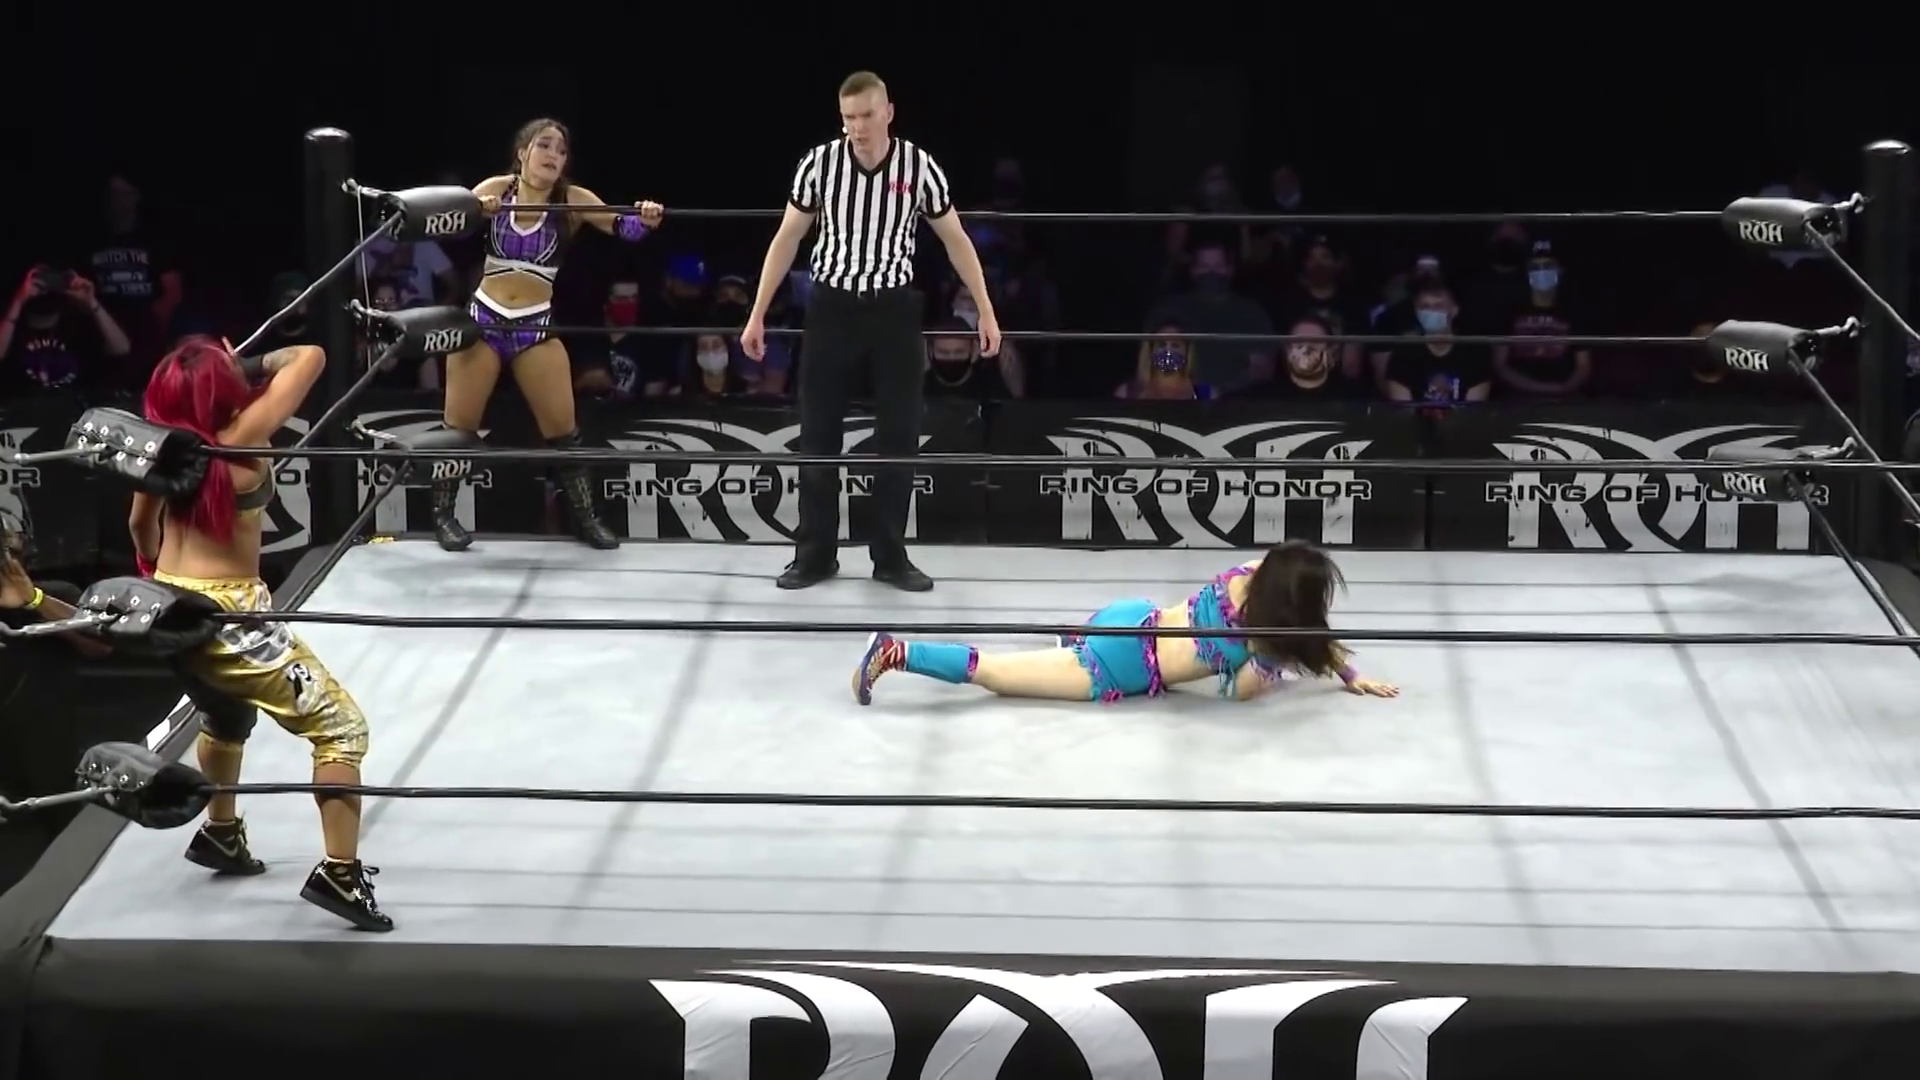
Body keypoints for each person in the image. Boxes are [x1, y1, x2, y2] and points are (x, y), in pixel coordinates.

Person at [134, 336, 390, 932]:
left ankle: (221, 832)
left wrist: (156, 577)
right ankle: (340, 874)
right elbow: (311, 356)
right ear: (223, 392)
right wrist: (244, 364)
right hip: (230, 614)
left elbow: (140, 525)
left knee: (224, 716)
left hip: (169, 603)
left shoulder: (159, 451)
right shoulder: (241, 436)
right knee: (342, 728)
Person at [740, 70, 1003, 594]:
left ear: (888, 113)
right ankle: (815, 554)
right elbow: (788, 237)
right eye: (848, 118)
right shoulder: (819, 163)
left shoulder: (918, 166)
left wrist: (986, 309)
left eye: (865, 116)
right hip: (831, 309)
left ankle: (890, 556)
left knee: (899, 436)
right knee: (818, 434)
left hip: (893, 311)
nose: (857, 128)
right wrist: (758, 311)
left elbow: (955, 238)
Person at [433, 118, 666, 553]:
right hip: (484, 320)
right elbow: (450, 225)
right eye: (544, 145)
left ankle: (586, 518)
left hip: (534, 325)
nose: (554, 155)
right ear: (522, 152)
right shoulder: (496, 189)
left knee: (563, 429)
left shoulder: (572, 200)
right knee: (458, 428)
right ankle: (443, 515)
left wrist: (647, 217)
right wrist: (477, 210)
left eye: (561, 150)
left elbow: (624, 228)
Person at [853, 541, 1399, 704]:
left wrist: (1349, 673)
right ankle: (896, 652)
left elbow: (1308, 631)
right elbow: (1239, 693)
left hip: (1134, 614)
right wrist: (1274, 668)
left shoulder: (1252, 573)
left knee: (1045, 661)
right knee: (995, 674)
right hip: (1123, 664)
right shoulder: (1260, 639)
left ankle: (1067, 646)